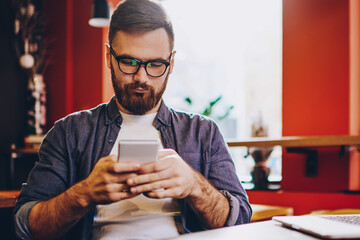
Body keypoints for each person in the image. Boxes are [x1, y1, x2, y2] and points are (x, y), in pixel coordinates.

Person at [14, 0, 252, 239]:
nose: (141, 77)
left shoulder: (203, 133)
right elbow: (26, 225)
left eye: (156, 64)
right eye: (128, 62)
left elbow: (240, 220)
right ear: (109, 56)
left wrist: (194, 187)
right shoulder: (69, 132)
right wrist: (84, 193)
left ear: (171, 63)